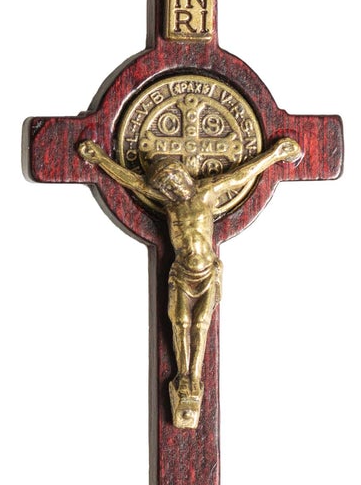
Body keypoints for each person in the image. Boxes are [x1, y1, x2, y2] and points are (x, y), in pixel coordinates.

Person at [78, 136, 302, 428]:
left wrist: (274, 154)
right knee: (181, 322)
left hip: (206, 271)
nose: (170, 187)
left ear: (181, 174)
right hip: (181, 273)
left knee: (200, 324)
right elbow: (133, 182)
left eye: (172, 180)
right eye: (165, 185)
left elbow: (241, 175)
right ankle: (182, 377)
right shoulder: (168, 202)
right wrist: (98, 159)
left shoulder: (207, 192)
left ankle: (193, 378)